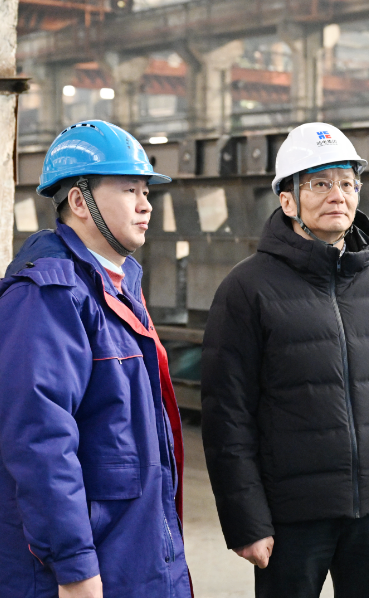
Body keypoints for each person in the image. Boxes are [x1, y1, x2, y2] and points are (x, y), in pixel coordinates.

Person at [201, 122, 369, 598]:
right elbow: (227, 416)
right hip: (292, 516)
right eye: (319, 183)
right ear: (287, 201)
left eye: (347, 183)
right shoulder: (247, 289)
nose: (338, 195)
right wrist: (247, 521)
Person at [0, 120, 190, 598]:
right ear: (80, 202)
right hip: (89, 568)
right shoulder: (48, 297)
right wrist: (75, 567)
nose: (145, 204)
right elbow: (40, 441)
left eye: (146, 191)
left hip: (133, 554)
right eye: (129, 190)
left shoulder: (116, 287)